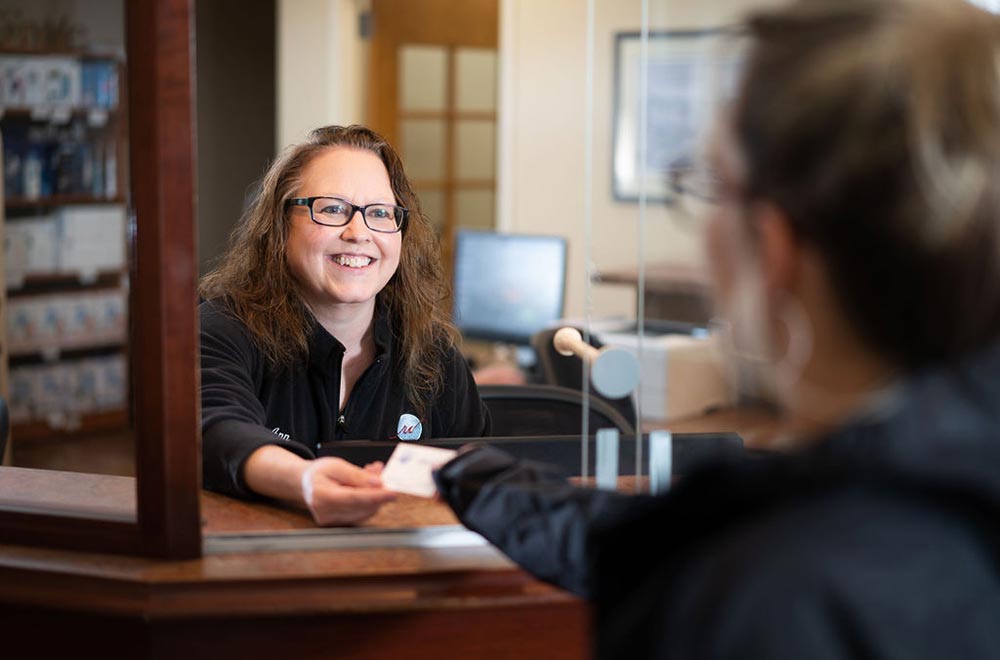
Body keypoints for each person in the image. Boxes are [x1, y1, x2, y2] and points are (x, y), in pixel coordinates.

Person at [435, 0, 1000, 657]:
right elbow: (660, 532)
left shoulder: (765, 602)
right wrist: (482, 478)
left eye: (711, 185)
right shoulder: (933, 500)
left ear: (773, 244)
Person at [200, 125, 490, 525]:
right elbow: (212, 431)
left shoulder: (433, 355)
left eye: (379, 213)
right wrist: (303, 479)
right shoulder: (221, 330)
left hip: (398, 569)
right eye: (333, 209)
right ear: (280, 226)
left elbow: (480, 471)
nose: (359, 234)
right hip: (259, 568)